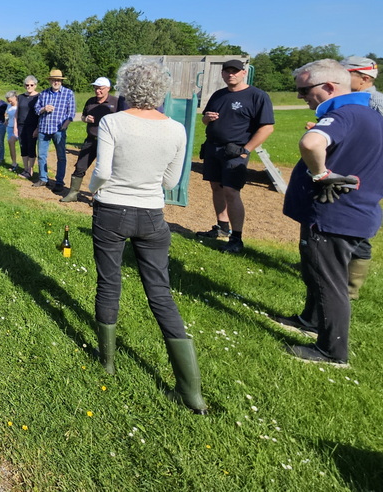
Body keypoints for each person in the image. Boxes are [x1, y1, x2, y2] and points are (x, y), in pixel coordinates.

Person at [88, 57, 205, 414]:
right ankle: (191, 392)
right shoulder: (176, 129)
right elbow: (171, 181)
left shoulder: (112, 121)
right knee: (160, 293)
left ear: (126, 87)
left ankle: (107, 362)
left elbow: (102, 170)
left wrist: (92, 190)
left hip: (111, 210)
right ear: (161, 91)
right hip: (153, 215)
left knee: (109, 282)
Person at [271, 59, 383, 368]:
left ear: (330, 87)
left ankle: (332, 351)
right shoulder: (371, 115)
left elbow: (311, 143)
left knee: (328, 281)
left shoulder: (345, 113)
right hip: (354, 211)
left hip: (334, 215)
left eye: (304, 90)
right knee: (317, 272)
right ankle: (310, 321)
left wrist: (321, 174)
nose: (300, 97)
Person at [196, 59, 275, 254]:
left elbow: (267, 127)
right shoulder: (218, 95)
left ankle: (236, 238)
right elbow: (205, 119)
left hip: (235, 152)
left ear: (243, 73)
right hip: (213, 148)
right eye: (227, 71)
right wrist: (207, 119)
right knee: (216, 187)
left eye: (235, 71)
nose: (231, 74)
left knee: (231, 191)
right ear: (222, 74)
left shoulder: (257, 96)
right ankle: (222, 227)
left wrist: (246, 150)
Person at [339, 56, 382, 299]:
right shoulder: (350, 99)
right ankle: (328, 265)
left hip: (366, 174)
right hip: (349, 168)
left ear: (364, 78)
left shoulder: (376, 102)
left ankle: (350, 287)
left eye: (346, 74)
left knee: (358, 226)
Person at [61, 77, 119, 203]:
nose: (97, 91)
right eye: (96, 88)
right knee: (80, 166)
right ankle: (73, 193)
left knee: (103, 170)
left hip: (108, 142)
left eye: (100, 88)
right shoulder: (90, 101)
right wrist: (85, 119)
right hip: (91, 140)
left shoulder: (116, 102)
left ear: (108, 89)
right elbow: (82, 116)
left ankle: (98, 197)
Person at [33, 69, 75, 192]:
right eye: (53, 80)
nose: (56, 82)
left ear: (61, 81)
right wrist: (44, 109)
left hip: (58, 130)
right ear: (50, 81)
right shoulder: (43, 93)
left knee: (61, 156)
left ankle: (59, 182)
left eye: (58, 80)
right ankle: (43, 178)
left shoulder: (68, 93)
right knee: (41, 155)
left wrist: (65, 125)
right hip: (44, 128)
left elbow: (71, 113)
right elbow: (36, 109)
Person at [16, 76, 39, 178]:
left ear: (35, 85)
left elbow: (40, 114)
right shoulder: (20, 97)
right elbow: (17, 112)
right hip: (21, 125)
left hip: (33, 126)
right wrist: (15, 126)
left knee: (31, 147)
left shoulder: (39, 97)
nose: (29, 87)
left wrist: (37, 128)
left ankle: (30, 169)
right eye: (27, 85)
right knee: (23, 146)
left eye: (31, 85)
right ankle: (25, 169)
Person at [4, 90, 20, 172]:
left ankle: (27, 165)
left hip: (18, 128)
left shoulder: (20, 105)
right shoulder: (9, 105)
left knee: (12, 141)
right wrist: (6, 120)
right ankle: (14, 163)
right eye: (8, 100)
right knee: (10, 144)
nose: (9, 102)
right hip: (10, 127)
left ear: (15, 98)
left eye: (10, 100)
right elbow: (6, 114)